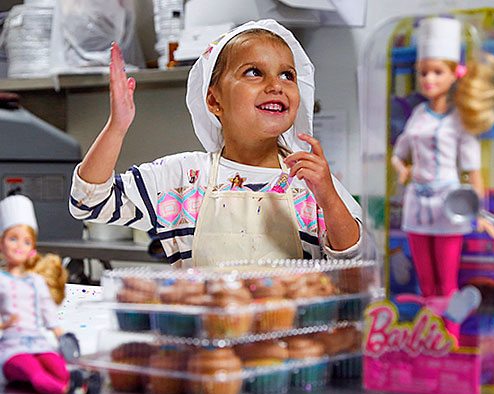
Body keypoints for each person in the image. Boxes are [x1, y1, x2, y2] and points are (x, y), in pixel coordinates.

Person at [69, 19, 362, 267]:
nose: (275, 85)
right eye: (254, 72)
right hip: (206, 331)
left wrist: (327, 196)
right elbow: (89, 202)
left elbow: (353, 259)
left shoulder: (312, 182)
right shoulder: (183, 180)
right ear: (214, 100)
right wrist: (116, 128)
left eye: (287, 75)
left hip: (294, 334)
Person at [390, 17, 494, 339]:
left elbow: (473, 170)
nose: (428, 79)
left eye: (437, 72)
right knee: (426, 283)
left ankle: (449, 336)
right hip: (416, 204)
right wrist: (403, 170)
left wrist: (478, 212)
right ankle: (429, 337)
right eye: (423, 72)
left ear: (455, 74)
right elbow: (400, 152)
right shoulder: (418, 115)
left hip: (450, 206)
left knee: (447, 281)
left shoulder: (460, 121)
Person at [0, 194, 101, 394]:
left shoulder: (36, 282)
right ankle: (68, 392)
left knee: (57, 365)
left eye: (26, 241)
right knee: (34, 370)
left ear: (32, 248)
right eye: (13, 238)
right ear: (1, 244)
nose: (19, 246)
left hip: (38, 342)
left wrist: (61, 336)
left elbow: (48, 314)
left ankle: (82, 386)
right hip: (12, 350)